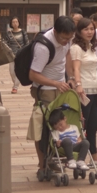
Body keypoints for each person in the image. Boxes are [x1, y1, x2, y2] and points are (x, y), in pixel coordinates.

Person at [27, 15, 76, 177]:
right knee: (45, 127)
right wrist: (55, 83)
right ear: (55, 31)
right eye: (63, 38)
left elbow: (67, 56)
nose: (66, 41)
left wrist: (71, 78)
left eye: (70, 38)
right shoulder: (43, 47)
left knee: (60, 124)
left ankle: (53, 159)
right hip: (45, 90)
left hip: (60, 86)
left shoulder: (67, 40)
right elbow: (33, 75)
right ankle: (43, 164)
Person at [68, 18, 97, 166]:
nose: (89, 32)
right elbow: (76, 69)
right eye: (86, 29)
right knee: (82, 125)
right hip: (83, 91)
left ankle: (94, 155)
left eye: (92, 29)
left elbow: (93, 71)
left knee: (93, 125)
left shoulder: (91, 47)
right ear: (79, 31)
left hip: (93, 90)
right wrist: (78, 85)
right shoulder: (76, 47)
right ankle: (78, 157)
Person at [6, 17, 29, 94]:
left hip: (21, 55)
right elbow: (6, 44)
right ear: (11, 24)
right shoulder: (9, 33)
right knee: (12, 72)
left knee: (19, 71)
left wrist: (25, 52)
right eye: (13, 22)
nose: (15, 23)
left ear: (19, 23)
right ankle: (15, 83)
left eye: (16, 22)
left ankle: (15, 87)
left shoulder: (23, 32)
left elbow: (27, 43)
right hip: (11, 55)